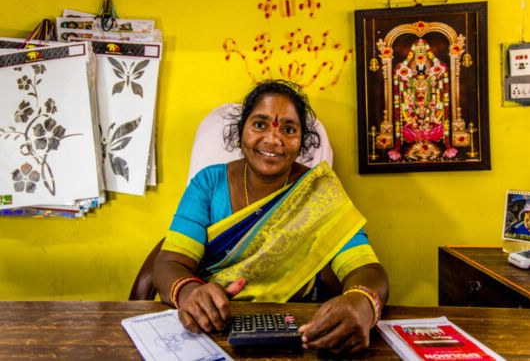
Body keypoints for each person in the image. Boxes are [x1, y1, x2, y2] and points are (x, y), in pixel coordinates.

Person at [153, 79, 389, 355]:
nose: (273, 139)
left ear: (302, 142)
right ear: (241, 131)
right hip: (214, 329)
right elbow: (169, 262)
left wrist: (361, 303)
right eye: (260, 124)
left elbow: (367, 269)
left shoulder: (320, 191)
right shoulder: (208, 184)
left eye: (288, 129)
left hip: (301, 332)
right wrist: (190, 293)